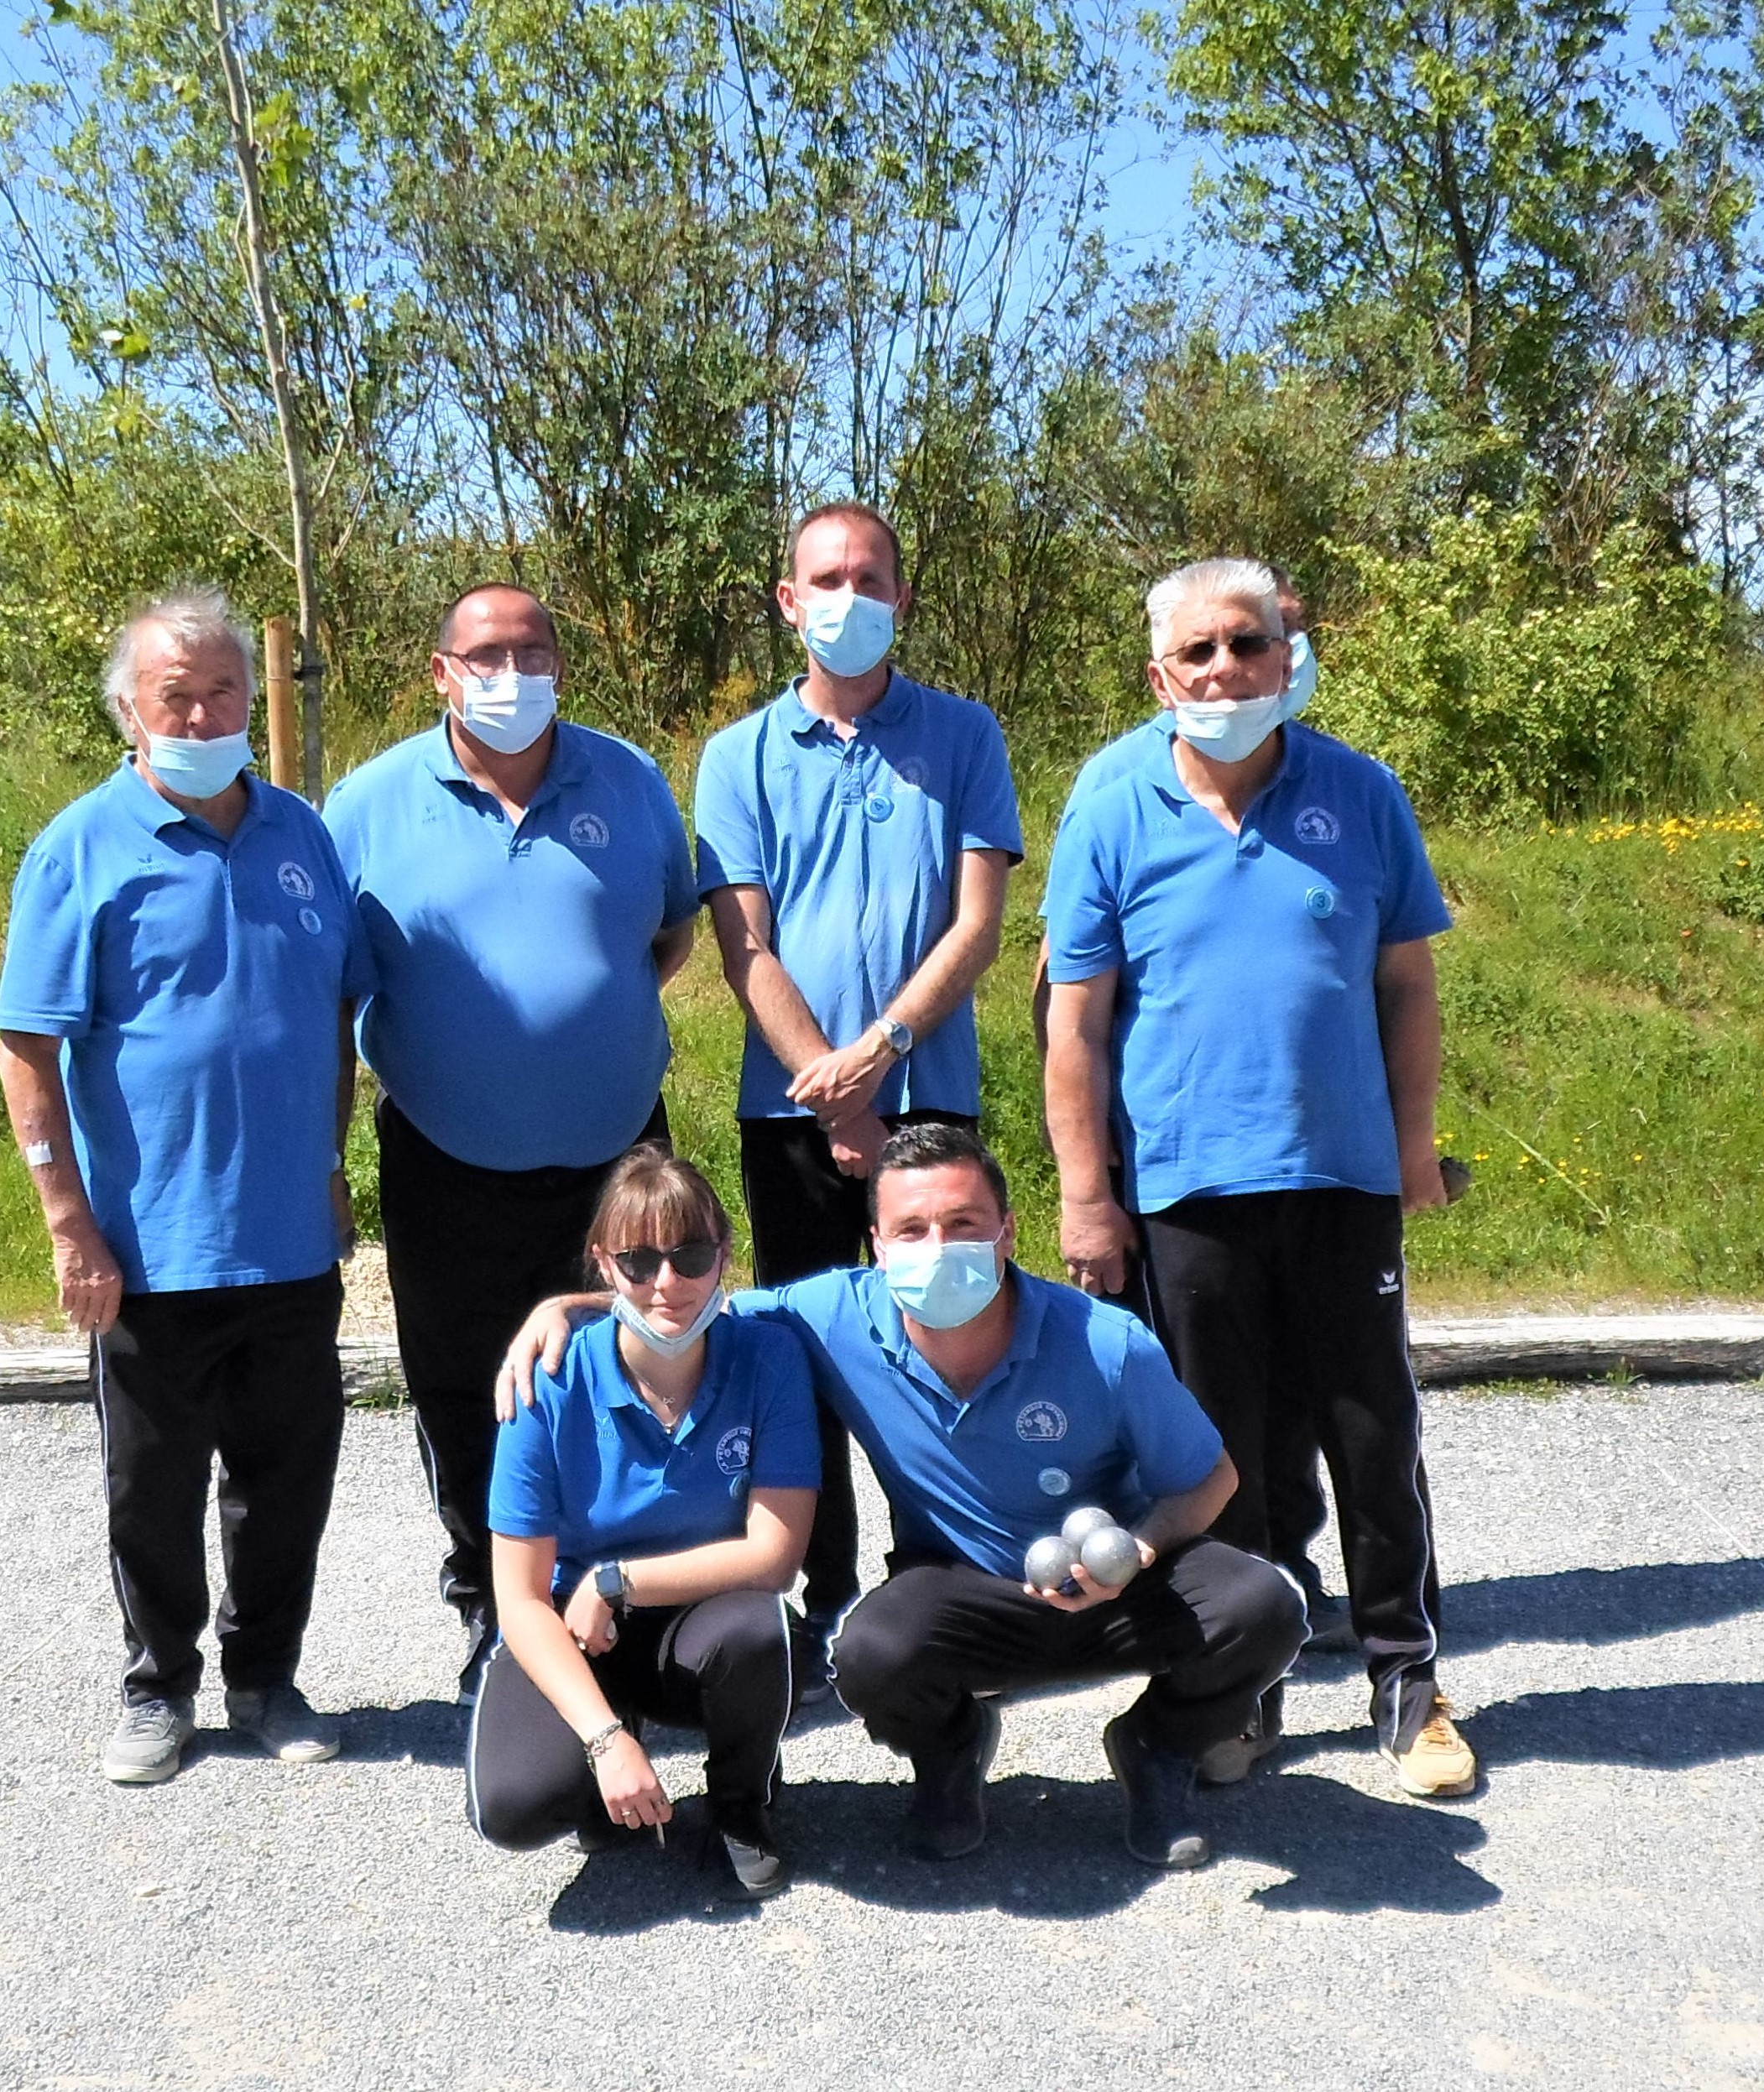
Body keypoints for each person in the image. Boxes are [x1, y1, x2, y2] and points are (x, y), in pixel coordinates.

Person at [501, 1124, 1306, 1870]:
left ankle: (1158, 1749)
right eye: (912, 1230)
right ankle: (950, 1751)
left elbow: (1211, 1478)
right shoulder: (833, 1315)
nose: (938, 1247)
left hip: (1119, 1579)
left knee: (1263, 1602)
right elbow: (675, 1303)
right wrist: (565, 1306)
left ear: (1006, 1232)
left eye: (962, 1224)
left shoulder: (1104, 1340)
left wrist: (1139, 1547)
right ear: (877, 1245)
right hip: (965, 1592)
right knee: (869, 1651)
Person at [1040, 556, 1475, 1799]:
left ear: (1286, 655)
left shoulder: (1359, 793)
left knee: (1368, 1429)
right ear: (1158, 674)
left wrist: (1406, 1143)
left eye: (1247, 645)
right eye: (1199, 654)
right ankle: (1239, 1687)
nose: (1225, 671)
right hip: (1182, 1186)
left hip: (1339, 1177)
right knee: (1212, 1458)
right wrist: (1086, 1192)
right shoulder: (1109, 801)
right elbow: (1074, 1020)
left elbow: (1404, 984)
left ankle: (1407, 1679)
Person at [0, 584, 368, 1785]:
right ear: (128, 709)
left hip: (291, 1243)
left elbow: (330, 1020)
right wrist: (69, 1224)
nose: (202, 711)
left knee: (285, 1482)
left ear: (252, 700)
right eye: (176, 694)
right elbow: (26, 1046)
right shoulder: (79, 846)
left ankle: (267, 1677)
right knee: (150, 1490)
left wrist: (328, 1167)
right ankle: (157, 1688)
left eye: (222, 691)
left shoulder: (303, 836)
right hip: (147, 1248)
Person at [325, 583, 702, 1701]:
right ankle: (497, 1610)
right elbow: (333, 987)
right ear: (438, 671)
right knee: (465, 1388)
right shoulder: (368, 802)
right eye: (483, 653)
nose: (508, 671)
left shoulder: (628, 782)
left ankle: (627, 1602)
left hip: (616, 1156)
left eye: (530, 649)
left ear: (560, 665)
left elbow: (666, 935)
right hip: (446, 1160)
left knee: (634, 1371)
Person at [693, 500, 1022, 1690]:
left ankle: (941, 1584)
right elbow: (745, 948)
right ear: (786, 600)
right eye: (823, 577)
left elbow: (976, 924)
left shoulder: (963, 734)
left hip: (928, 1107)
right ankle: (820, 1595)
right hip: (789, 1114)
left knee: (945, 1343)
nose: (846, 595)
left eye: (868, 575)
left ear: (902, 596)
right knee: (800, 1357)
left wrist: (878, 1054)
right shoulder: (735, 757)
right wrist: (833, 1103)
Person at [468, 1148, 818, 1899]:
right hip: (574, 1627)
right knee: (515, 1807)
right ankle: (610, 1752)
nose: (667, 1283)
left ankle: (740, 1803)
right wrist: (603, 1740)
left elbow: (776, 1555)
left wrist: (617, 1580)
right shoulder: (547, 1376)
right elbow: (520, 1599)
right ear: (603, 1263)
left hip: (698, 1618)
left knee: (758, 1632)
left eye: (691, 1255)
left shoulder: (769, 1356)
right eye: (637, 1260)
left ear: (724, 1254)